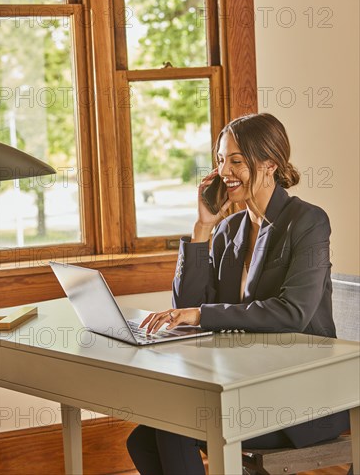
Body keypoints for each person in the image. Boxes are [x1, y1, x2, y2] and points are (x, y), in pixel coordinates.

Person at [127, 113, 349, 475]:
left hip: (303, 396)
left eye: (236, 160)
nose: (223, 171)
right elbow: (187, 308)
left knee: (175, 432)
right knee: (143, 437)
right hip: (246, 385)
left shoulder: (307, 222)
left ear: (269, 165)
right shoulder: (229, 228)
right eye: (219, 160)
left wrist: (203, 314)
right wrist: (201, 229)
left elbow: (293, 312)